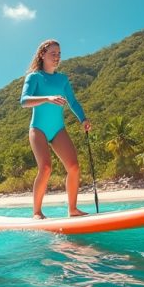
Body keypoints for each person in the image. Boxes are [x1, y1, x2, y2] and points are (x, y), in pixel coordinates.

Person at [20, 39, 92, 219]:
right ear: (42, 55)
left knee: (74, 167)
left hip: (58, 129)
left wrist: (83, 119)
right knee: (45, 168)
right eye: (53, 54)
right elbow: (24, 101)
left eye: (59, 54)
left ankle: (73, 210)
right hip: (38, 129)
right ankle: (37, 212)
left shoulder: (62, 79)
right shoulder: (34, 77)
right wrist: (47, 98)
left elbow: (73, 102)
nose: (57, 57)